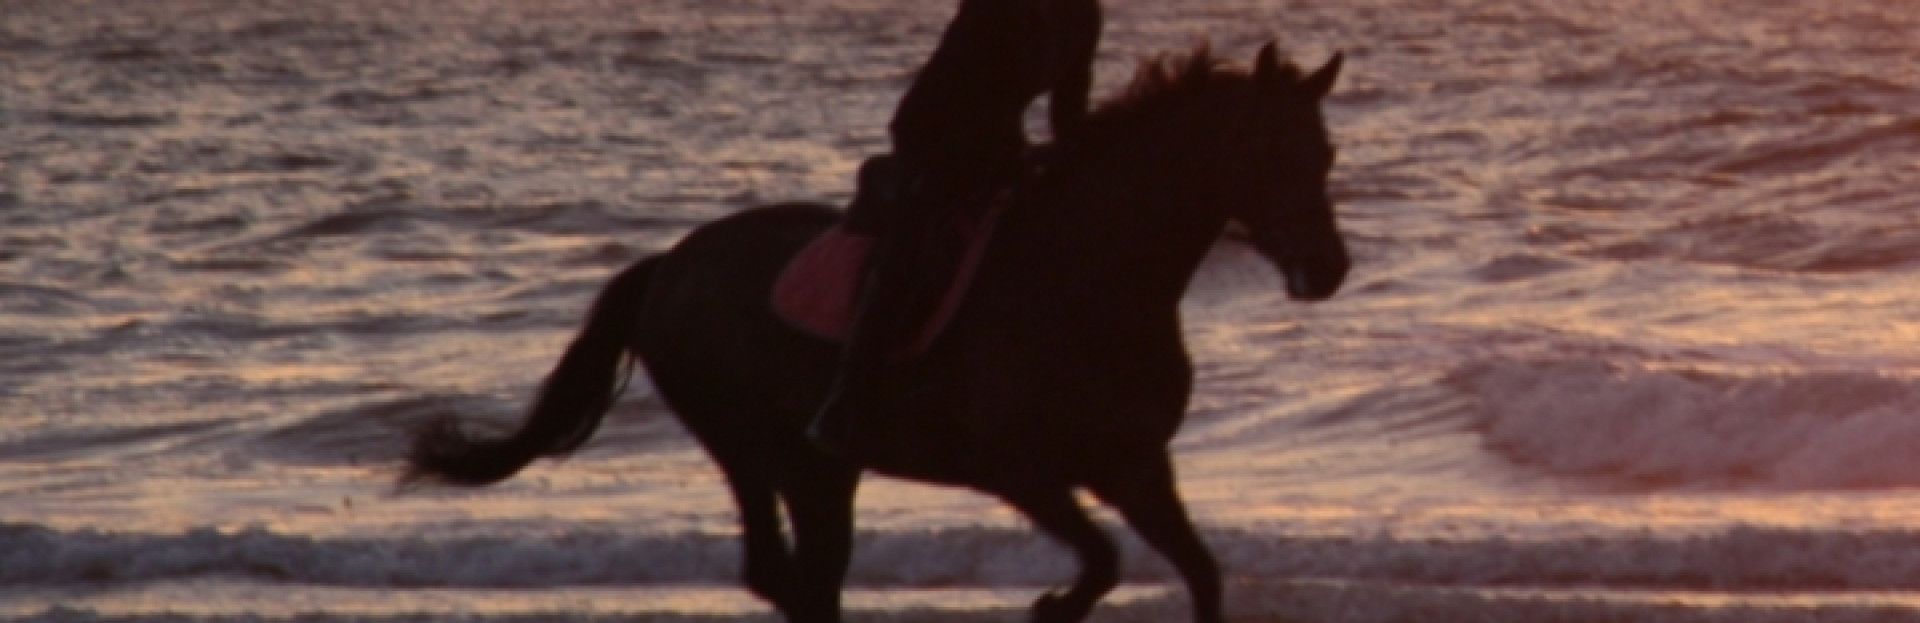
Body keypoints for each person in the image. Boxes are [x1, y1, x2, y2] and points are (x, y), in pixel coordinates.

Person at [807, 0, 1104, 457]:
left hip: (999, 140)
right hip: (935, 130)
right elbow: (974, 87)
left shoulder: (1082, 12)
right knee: (915, 246)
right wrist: (1012, 158)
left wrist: (1079, 162)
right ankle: (848, 397)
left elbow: (1069, 108)